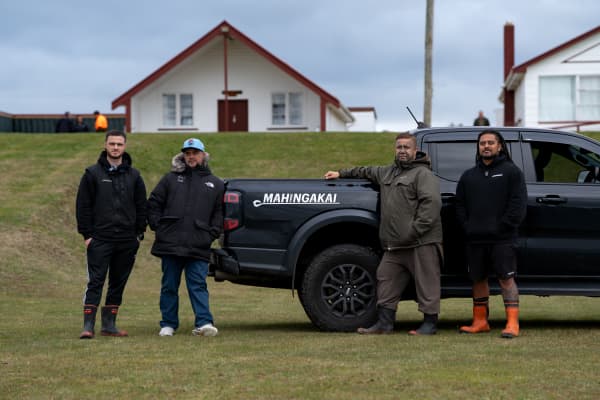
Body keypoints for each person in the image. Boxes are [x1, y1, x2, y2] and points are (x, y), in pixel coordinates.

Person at [324, 132, 443, 335]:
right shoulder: (387, 172)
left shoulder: (423, 174)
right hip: (394, 245)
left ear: (415, 151)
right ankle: (384, 324)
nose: (402, 151)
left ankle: (429, 325)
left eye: (407, 147)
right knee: (385, 278)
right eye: (399, 147)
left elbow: (432, 204)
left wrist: (414, 231)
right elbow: (366, 171)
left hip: (421, 242)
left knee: (427, 283)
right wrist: (340, 173)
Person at [148, 138, 224, 337]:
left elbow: (219, 213)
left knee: (198, 284)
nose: (191, 157)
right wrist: (159, 226)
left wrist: (212, 233)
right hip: (170, 243)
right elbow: (154, 203)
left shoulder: (215, 184)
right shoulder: (169, 179)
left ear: (203, 155)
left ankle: (204, 322)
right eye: (187, 153)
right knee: (169, 286)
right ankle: (168, 324)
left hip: (199, 244)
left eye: (195, 153)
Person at [76, 130, 147, 339]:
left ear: (125, 146)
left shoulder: (134, 176)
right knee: (96, 281)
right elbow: (83, 206)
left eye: (119, 144)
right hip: (100, 238)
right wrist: (87, 235)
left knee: (118, 282)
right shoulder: (92, 174)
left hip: (126, 240)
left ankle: (109, 325)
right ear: (105, 145)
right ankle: (88, 326)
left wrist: (138, 234)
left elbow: (141, 206)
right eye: (112, 144)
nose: (115, 147)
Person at [455, 130, 527, 339]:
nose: (486, 146)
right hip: (475, 239)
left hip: (502, 239)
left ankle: (512, 323)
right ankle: (480, 321)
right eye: (482, 143)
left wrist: (502, 226)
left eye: (490, 143)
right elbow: (460, 205)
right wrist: (467, 226)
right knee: (478, 280)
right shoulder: (468, 176)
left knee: (506, 279)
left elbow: (518, 206)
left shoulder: (512, 172)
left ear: (500, 146)